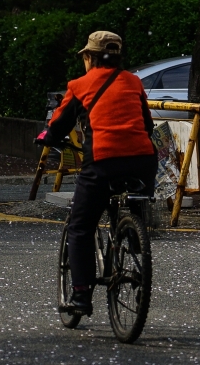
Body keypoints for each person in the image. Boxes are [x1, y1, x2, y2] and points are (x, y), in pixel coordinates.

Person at [38, 30, 157, 316]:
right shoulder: (133, 81)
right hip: (143, 160)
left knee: (80, 226)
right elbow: (147, 125)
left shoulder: (79, 85)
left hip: (103, 161)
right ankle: (132, 237)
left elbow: (58, 125)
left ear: (90, 57)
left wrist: (46, 137)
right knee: (132, 195)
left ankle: (81, 295)